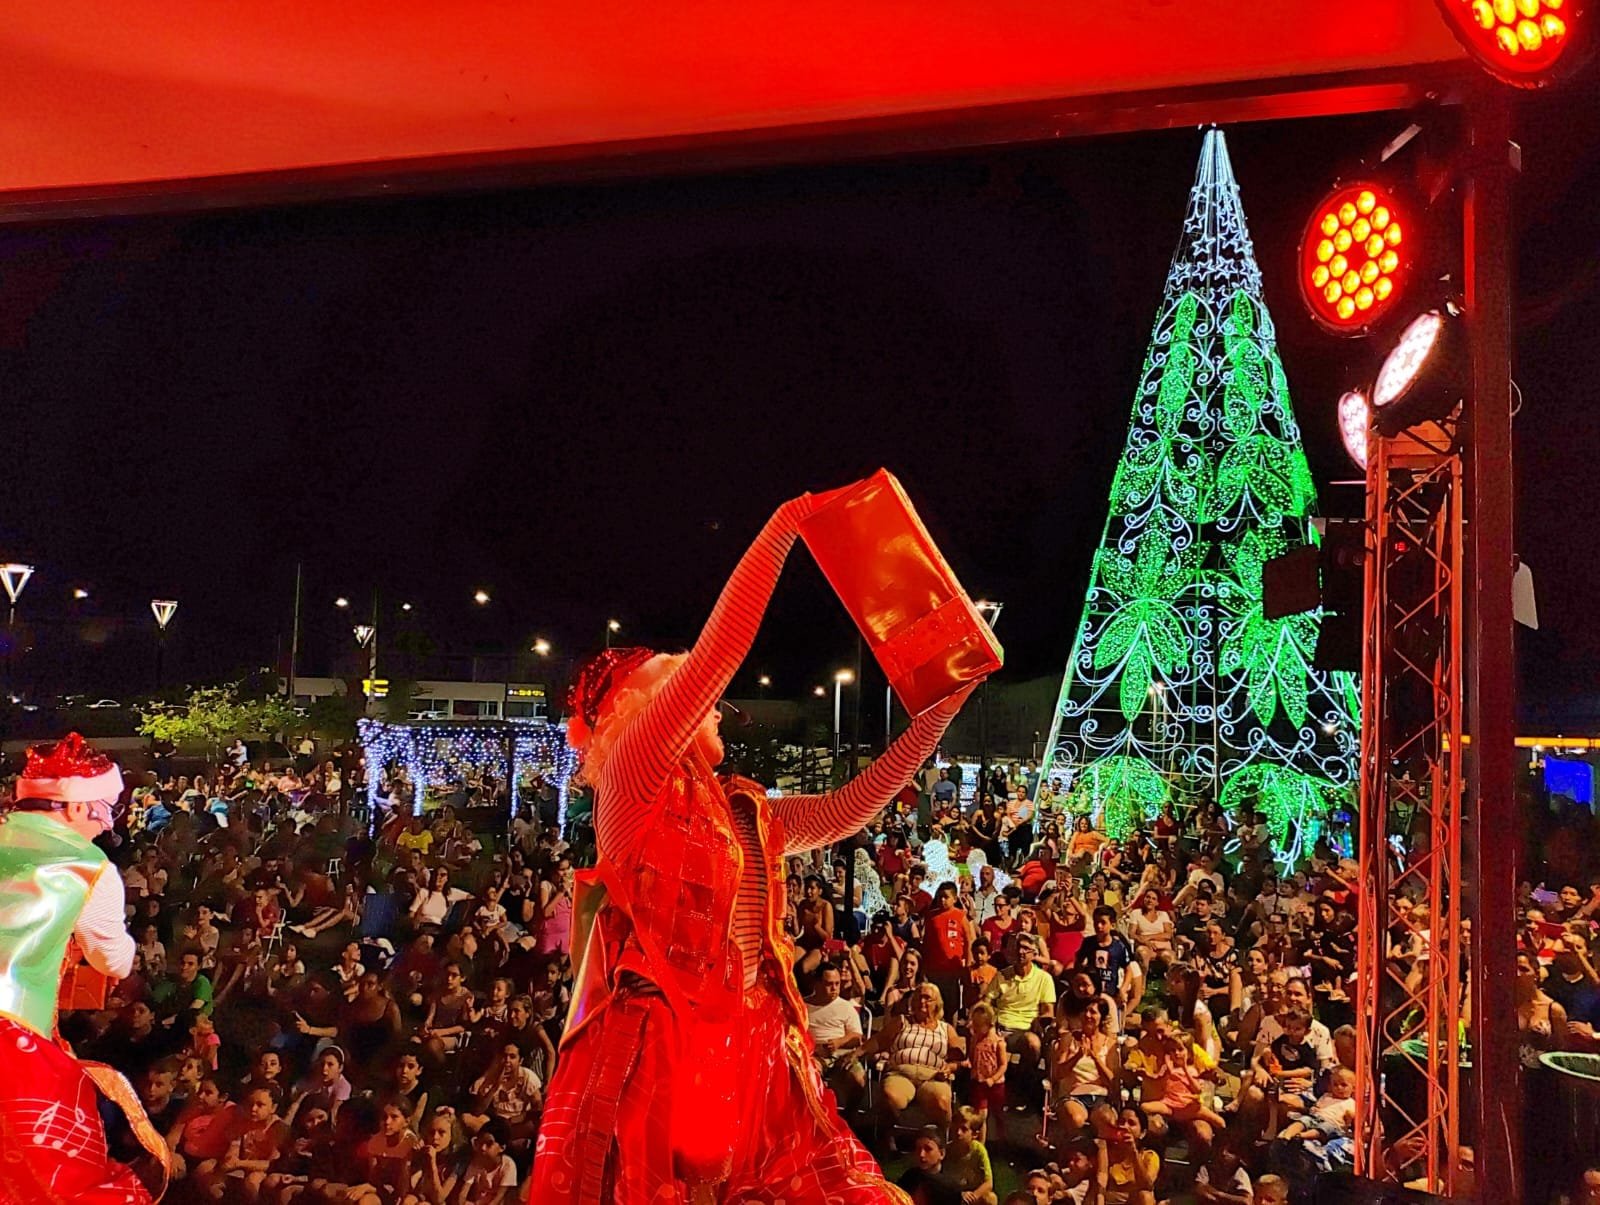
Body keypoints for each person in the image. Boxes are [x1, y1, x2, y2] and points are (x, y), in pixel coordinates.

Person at [529, 482, 990, 1203]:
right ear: (649, 708)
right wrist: (785, 525)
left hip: (757, 1042)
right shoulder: (636, 775)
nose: (716, 706)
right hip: (665, 1046)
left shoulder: (742, 810)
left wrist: (938, 711)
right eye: (695, 697)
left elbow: (851, 808)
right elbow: (717, 656)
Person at [0, 734, 169, 1202]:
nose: (106, 826)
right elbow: (112, 957)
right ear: (74, 806)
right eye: (104, 810)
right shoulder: (87, 868)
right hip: (14, 1039)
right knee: (60, 1183)